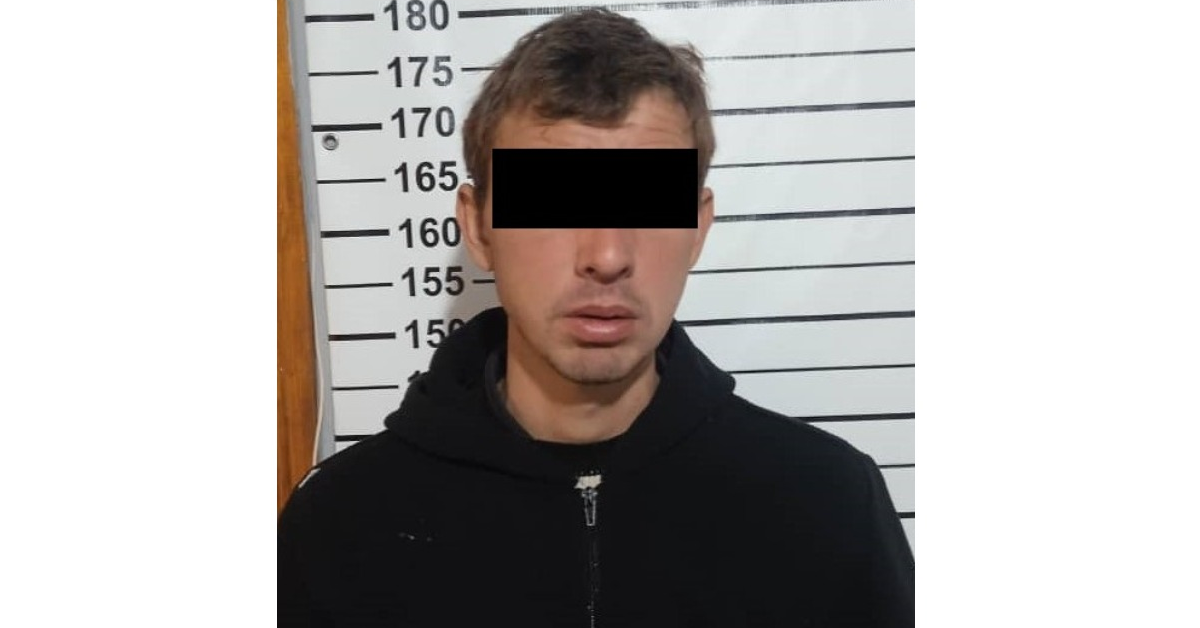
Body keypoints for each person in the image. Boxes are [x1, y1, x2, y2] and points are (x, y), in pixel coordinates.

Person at [278, 9, 914, 627]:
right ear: (477, 226)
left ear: (698, 228)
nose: (607, 257)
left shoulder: (828, 504)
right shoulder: (337, 527)